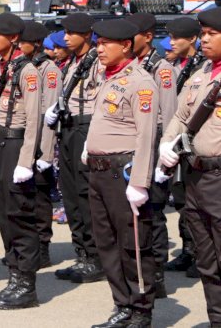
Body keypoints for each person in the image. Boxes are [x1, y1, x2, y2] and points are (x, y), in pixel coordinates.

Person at [85, 19, 158, 328]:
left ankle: (141, 310)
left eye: (105, 43)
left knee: (132, 245)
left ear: (125, 45)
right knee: (106, 242)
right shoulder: (108, 77)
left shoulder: (141, 82)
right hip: (99, 172)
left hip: (123, 174)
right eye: (97, 43)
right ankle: (122, 305)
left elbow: (146, 136)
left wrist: (140, 182)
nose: (99, 49)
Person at [0, 12, 42, 310]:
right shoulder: (1, 67)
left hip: (16, 144)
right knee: (2, 213)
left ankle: (26, 285)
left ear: (13, 38)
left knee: (19, 213)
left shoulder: (27, 71)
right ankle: (14, 277)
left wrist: (26, 161)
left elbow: (35, 118)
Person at [159, 7, 221, 327]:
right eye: (204, 34)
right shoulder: (199, 76)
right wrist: (166, 145)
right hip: (196, 176)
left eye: (212, 34)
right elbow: (181, 118)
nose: (205, 40)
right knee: (207, 262)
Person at [47, 13, 105, 284]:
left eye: (71, 32)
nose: (66, 37)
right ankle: (82, 254)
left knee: (84, 194)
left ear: (86, 35)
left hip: (87, 128)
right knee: (70, 193)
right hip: (69, 129)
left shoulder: (97, 62)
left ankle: (95, 257)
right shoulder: (73, 62)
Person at [126, 13, 178, 300]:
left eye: (132, 35)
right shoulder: (134, 66)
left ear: (147, 36)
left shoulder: (163, 68)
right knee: (137, 213)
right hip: (135, 141)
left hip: (157, 140)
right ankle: (141, 270)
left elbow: (169, 114)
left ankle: (156, 276)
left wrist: (163, 157)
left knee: (154, 212)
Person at [20, 20, 61, 270]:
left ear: (36, 43)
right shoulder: (26, 66)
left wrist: (45, 152)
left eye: (23, 41)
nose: (18, 45)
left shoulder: (50, 69)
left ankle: (43, 247)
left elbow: (49, 113)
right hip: (25, 139)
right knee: (26, 197)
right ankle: (30, 247)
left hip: (43, 142)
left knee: (41, 196)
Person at [164, 16, 203, 277]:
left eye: (177, 37)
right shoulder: (180, 64)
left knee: (198, 201)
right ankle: (189, 250)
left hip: (197, 139)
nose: (171, 42)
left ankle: (200, 254)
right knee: (181, 199)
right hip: (179, 139)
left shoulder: (202, 65)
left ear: (192, 39)